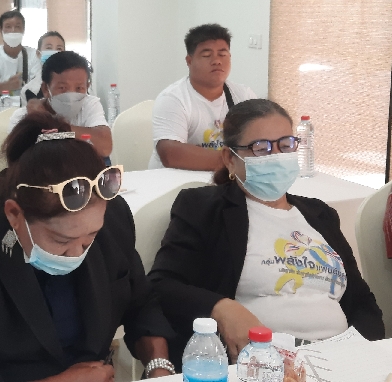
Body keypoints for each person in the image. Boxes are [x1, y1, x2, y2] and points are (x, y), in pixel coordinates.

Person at [0, 112, 176, 381]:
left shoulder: (112, 218)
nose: (78, 253)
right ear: (15, 214)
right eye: (61, 241)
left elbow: (141, 305)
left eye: (90, 237)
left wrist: (159, 367)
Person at [148, 99, 385, 369]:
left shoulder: (320, 214)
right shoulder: (204, 207)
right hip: (262, 363)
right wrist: (222, 308)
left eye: (286, 145)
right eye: (261, 148)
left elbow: (362, 302)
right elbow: (162, 285)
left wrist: (363, 358)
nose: (276, 156)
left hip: (339, 358)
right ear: (230, 159)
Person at [148, 23, 256, 171]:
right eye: (206, 55)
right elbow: (171, 154)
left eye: (222, 54)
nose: (217, 61)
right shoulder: (172, 99)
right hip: (177, 180)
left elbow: (260, 141)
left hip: (226, 178)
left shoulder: (244, 95)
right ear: (189, 61)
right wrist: (236, 162)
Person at [8, 51, 112, 158]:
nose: (71, 95)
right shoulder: (23, 115)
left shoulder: (89, 104)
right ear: (45, 89)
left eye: (79, 88)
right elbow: (17, 158)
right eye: (62, 88)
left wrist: (49, 121)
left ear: (87, 86)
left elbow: (105, 146)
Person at [0, 10, 41, 97]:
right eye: (8, 27)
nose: (13, 30)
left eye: (17, 27)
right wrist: (8, 86)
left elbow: (37, 87)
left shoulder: (33, 55)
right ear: (1, 30)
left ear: (23, 30)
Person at [21, 31, 66, 105]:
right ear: (38, 54)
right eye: (49, 48)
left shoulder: (76, 83)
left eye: (59, 49)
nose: (54, 52)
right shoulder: (28, 90)